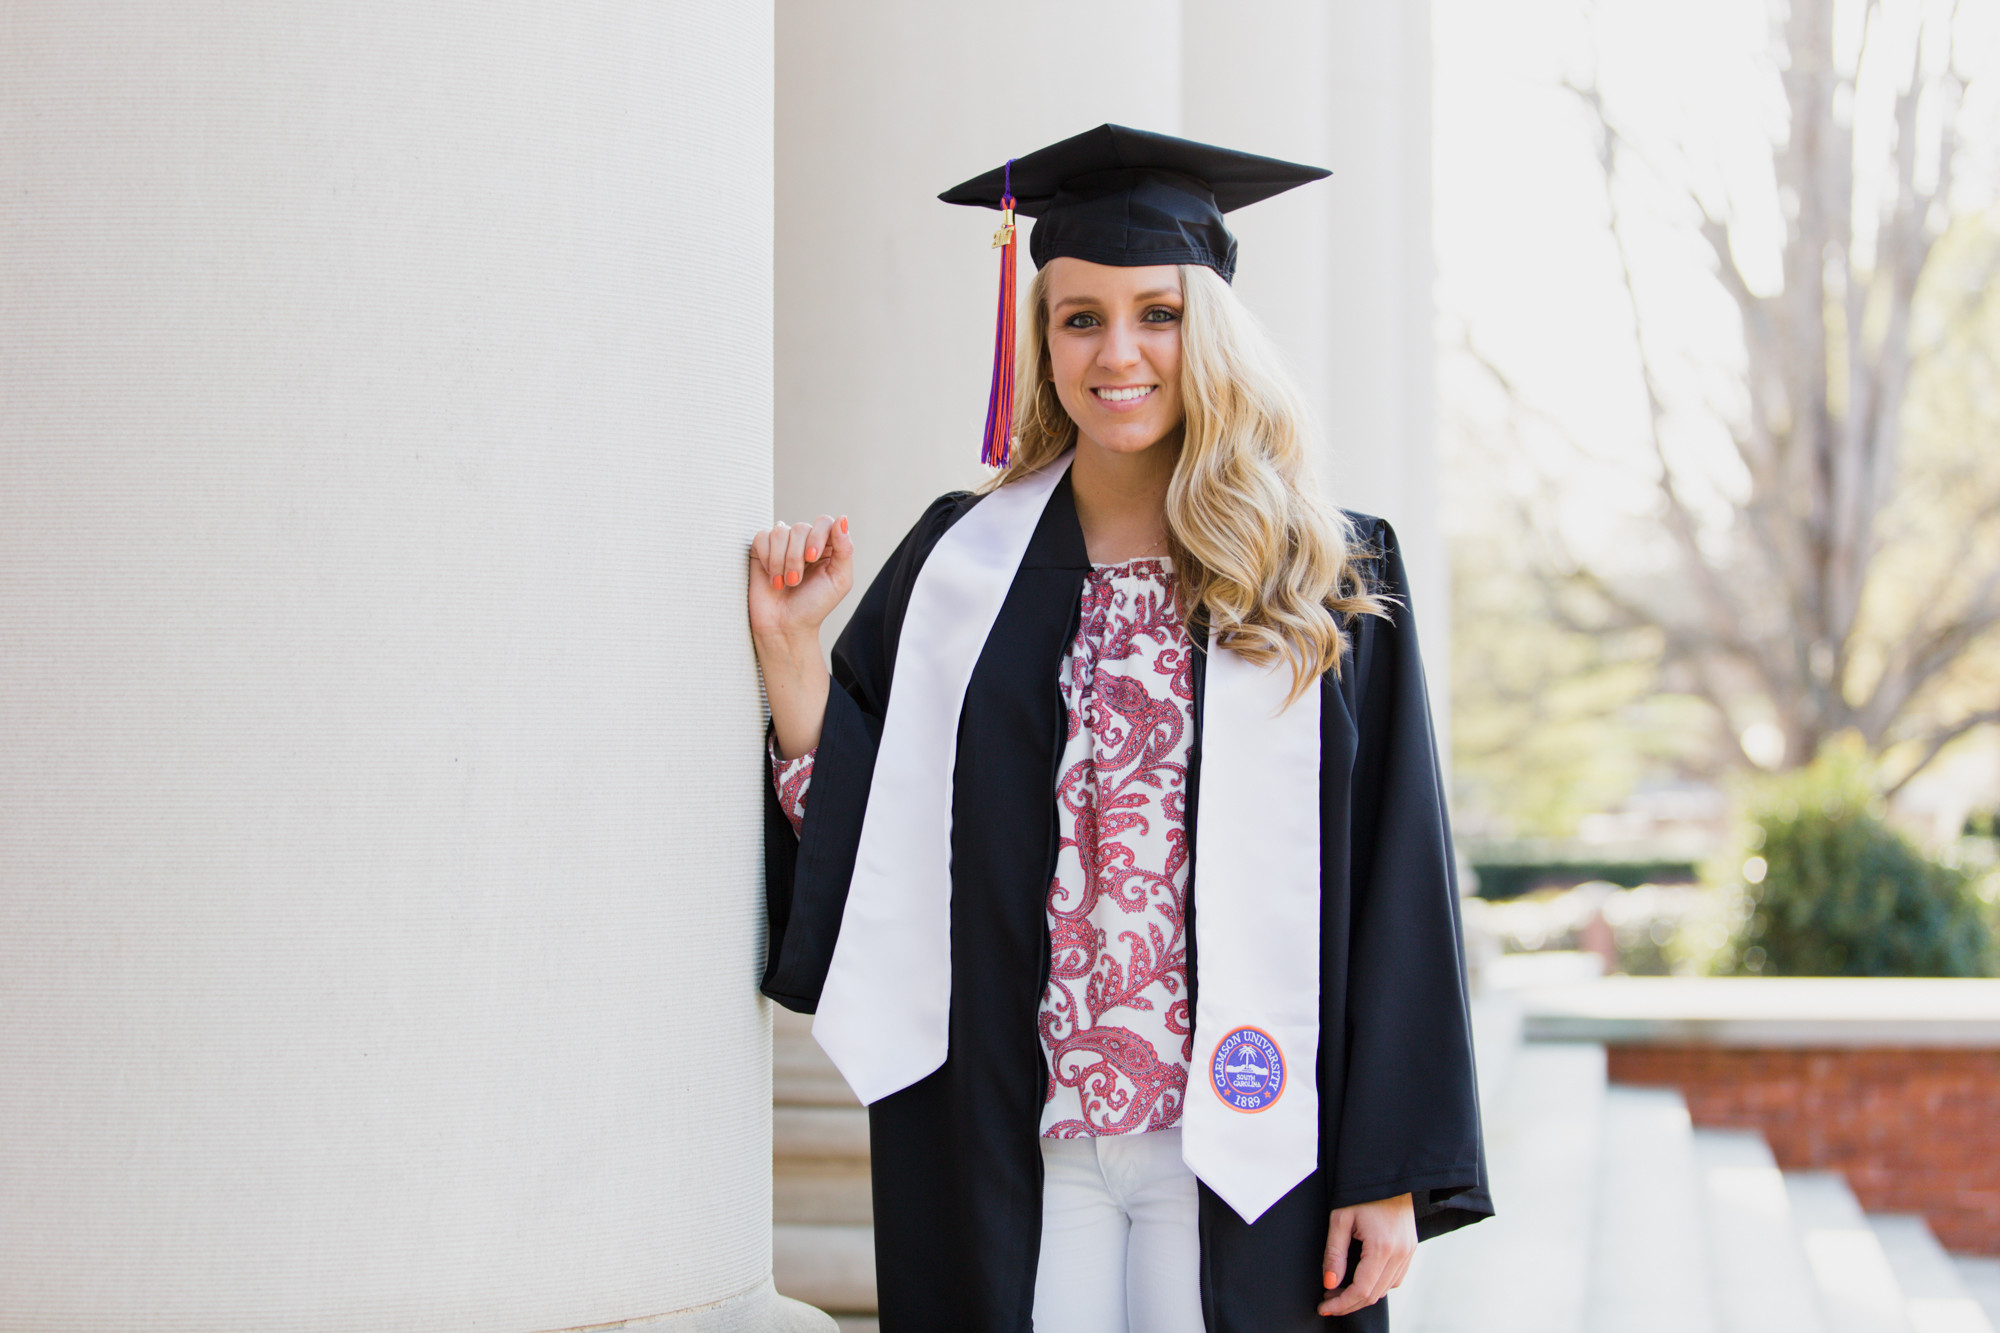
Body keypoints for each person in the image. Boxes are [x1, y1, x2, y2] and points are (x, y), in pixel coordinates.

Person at [748, 125, 1489, 1333]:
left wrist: (1387, 1164)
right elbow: (868, 841)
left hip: (1245, 1132)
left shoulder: (1321, 570)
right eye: (1078, 317)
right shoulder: (957, 566)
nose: (1117, 352)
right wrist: (790, 657)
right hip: (1012, 1127)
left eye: (1156, 312)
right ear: (1038, 343)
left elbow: (1397, 876)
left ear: (1211, 332)